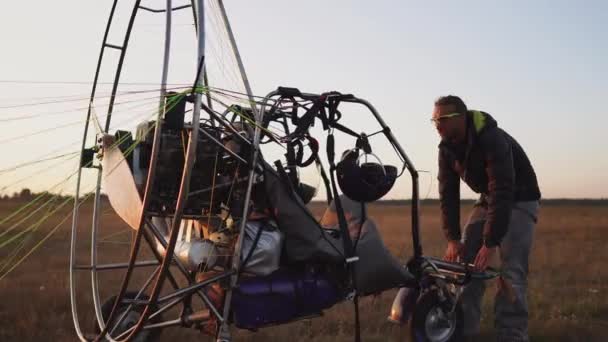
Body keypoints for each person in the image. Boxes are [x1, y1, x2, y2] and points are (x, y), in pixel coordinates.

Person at [433, 95, 541, 341]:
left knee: (510, 272)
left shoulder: (491, 138)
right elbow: (447, 194)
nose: (438, 125)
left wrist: (490, 242)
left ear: (461, 117)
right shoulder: (446, 149)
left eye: (443, 119)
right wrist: (452, 238)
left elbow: (503, 190)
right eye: (434, 120)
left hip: (520, 197)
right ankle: (461, 331)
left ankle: (511, 335)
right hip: (489, 199)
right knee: (466, 268)